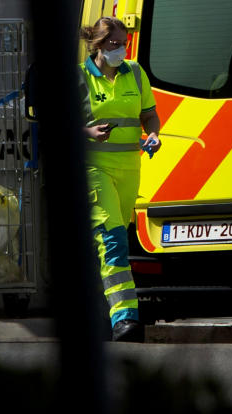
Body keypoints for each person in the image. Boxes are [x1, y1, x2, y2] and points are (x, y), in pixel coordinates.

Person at [79, 17, 161, 343]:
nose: (120, 49)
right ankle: (124, 320)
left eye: (124, 42)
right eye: (114, 43)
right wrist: (86, 131)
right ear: (98, 45)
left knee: (113, 241)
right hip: (94, 168)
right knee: (113, 241)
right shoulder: (81, 76)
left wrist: (153, 134)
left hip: (130, 169)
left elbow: (149, 114)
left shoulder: (135, 72)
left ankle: (99, 315)